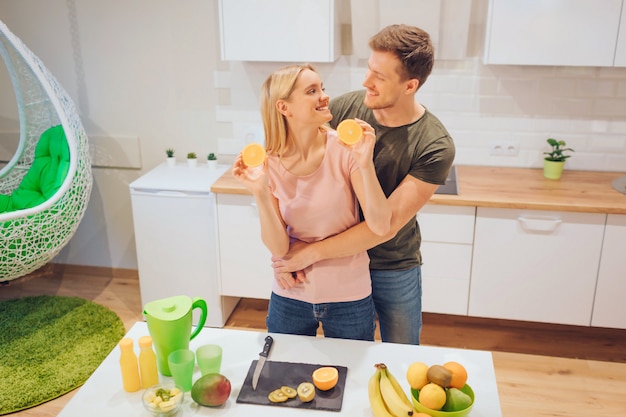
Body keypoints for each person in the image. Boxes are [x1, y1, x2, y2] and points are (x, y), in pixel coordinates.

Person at [271, 24, 456, 345]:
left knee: (401, 353)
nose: (366, 81)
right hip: (336, 264)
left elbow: (384, 226)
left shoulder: (434, 145)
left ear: (410, 85)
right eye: (369, 69)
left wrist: (304, 255)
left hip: (391, 265)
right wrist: (283, 252)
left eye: (379, 77)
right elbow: (299, 157)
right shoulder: (346, 109)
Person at [232, 63, 391, 341]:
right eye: (312, 90)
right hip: (290, 295)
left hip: (349, 297)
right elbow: (279, 246)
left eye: (322, 88)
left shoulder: (344, 149)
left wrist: (365, 165)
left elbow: (380, 225)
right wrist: (259, 192)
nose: (324, 96)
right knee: (283, 377)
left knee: (351, 377)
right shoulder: (269, 164)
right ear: (284, 107)